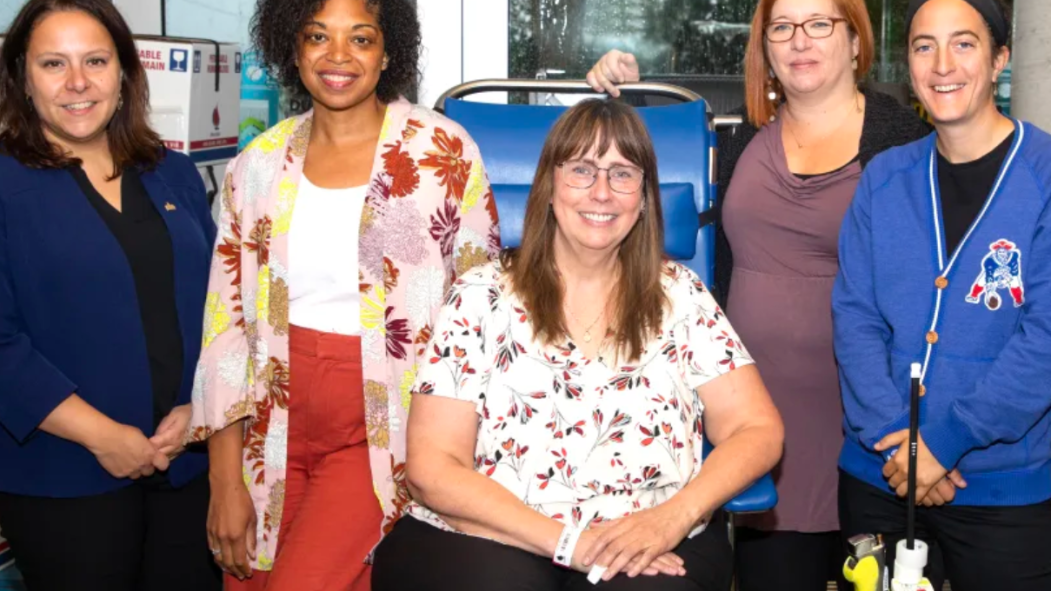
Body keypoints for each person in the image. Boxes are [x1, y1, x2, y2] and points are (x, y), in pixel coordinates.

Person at [371, 98, 784, 591]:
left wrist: (674, 517)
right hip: (495, 533)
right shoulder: (480, 296)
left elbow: (758, 429)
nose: (602, 192)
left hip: (649, 538)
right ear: (548, 186)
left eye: (623, 174)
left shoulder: (682, 298)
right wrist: (571, 543)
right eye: (582, 170)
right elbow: (432, 466)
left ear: (645, 197)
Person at [586, 1, 929, 589]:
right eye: (782, 27)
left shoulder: (904, 140)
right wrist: (624, 93)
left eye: (820, 23)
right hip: (756, 423)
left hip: (868, 424)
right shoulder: (748, 135)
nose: (801, 40)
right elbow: (645, 191)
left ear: (855, 41)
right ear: (765, 48)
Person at [186, 0, 501, 589]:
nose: (338, 57)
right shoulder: (255, 166)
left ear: (388, 53)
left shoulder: (444, 155)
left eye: (360, 39)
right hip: (269, 420)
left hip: (386, 423)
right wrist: (224, 482)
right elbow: (224, 327)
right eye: (316, 36)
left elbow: (481, 313)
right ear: (293, 47)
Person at [0, 1, 220, 590]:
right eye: (53, 63)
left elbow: (221, 307)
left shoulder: (173, 173)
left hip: (185, 462)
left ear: (124, 74)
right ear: (22, 77)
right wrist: (104, 436)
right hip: (63, 475)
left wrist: (199, 405)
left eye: (95, 60)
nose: (77, 82)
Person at [833, 0, 1051, 589]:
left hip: (1004, 492)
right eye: (924, 46)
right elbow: (854, 317)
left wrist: (944, 444)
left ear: (1000, 57)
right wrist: (899, 446)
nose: (941, 63)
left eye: (964, 43)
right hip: (880, 477)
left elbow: (1045, 341)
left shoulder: (1045, 175)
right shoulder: (882, 178)